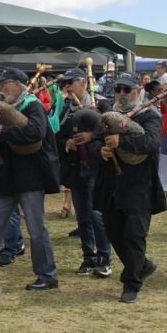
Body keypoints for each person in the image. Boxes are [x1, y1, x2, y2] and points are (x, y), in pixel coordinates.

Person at [0, 67, 61, 292]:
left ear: (16, 84)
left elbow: (35, 133)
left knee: (36, 228)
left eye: (4, 84)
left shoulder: (33, 105)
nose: (1, 89)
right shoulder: (15, 106)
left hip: (31, 177)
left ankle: (47, 275)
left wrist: (3, 133)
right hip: (10, 176)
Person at [94, 75, 165, 302]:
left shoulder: (149, 116)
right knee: (115, 233)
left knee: (134, 235)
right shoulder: (108, 116)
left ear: (138, 90)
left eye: (127, 89)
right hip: (112, 184)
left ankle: (131, 284)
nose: (122, 94)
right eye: (118, 89)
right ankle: (142, 265)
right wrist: (101, 151)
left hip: (139, 185)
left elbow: (151, 144)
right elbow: (97, 140)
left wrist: (121, 142)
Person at [56, 67, 111, 277]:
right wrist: (67, 142)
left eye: (73, 83)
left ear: (84, 83)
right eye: (67, 84)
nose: (69, 87)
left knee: (96, 214)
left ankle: (104, 257)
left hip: (96, 166)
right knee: (83, 217)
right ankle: (88, 257)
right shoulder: (65, 108)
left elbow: (113, 129)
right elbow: (57, 135)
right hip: (76, 167)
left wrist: (92, 136)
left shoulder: (101, 103)